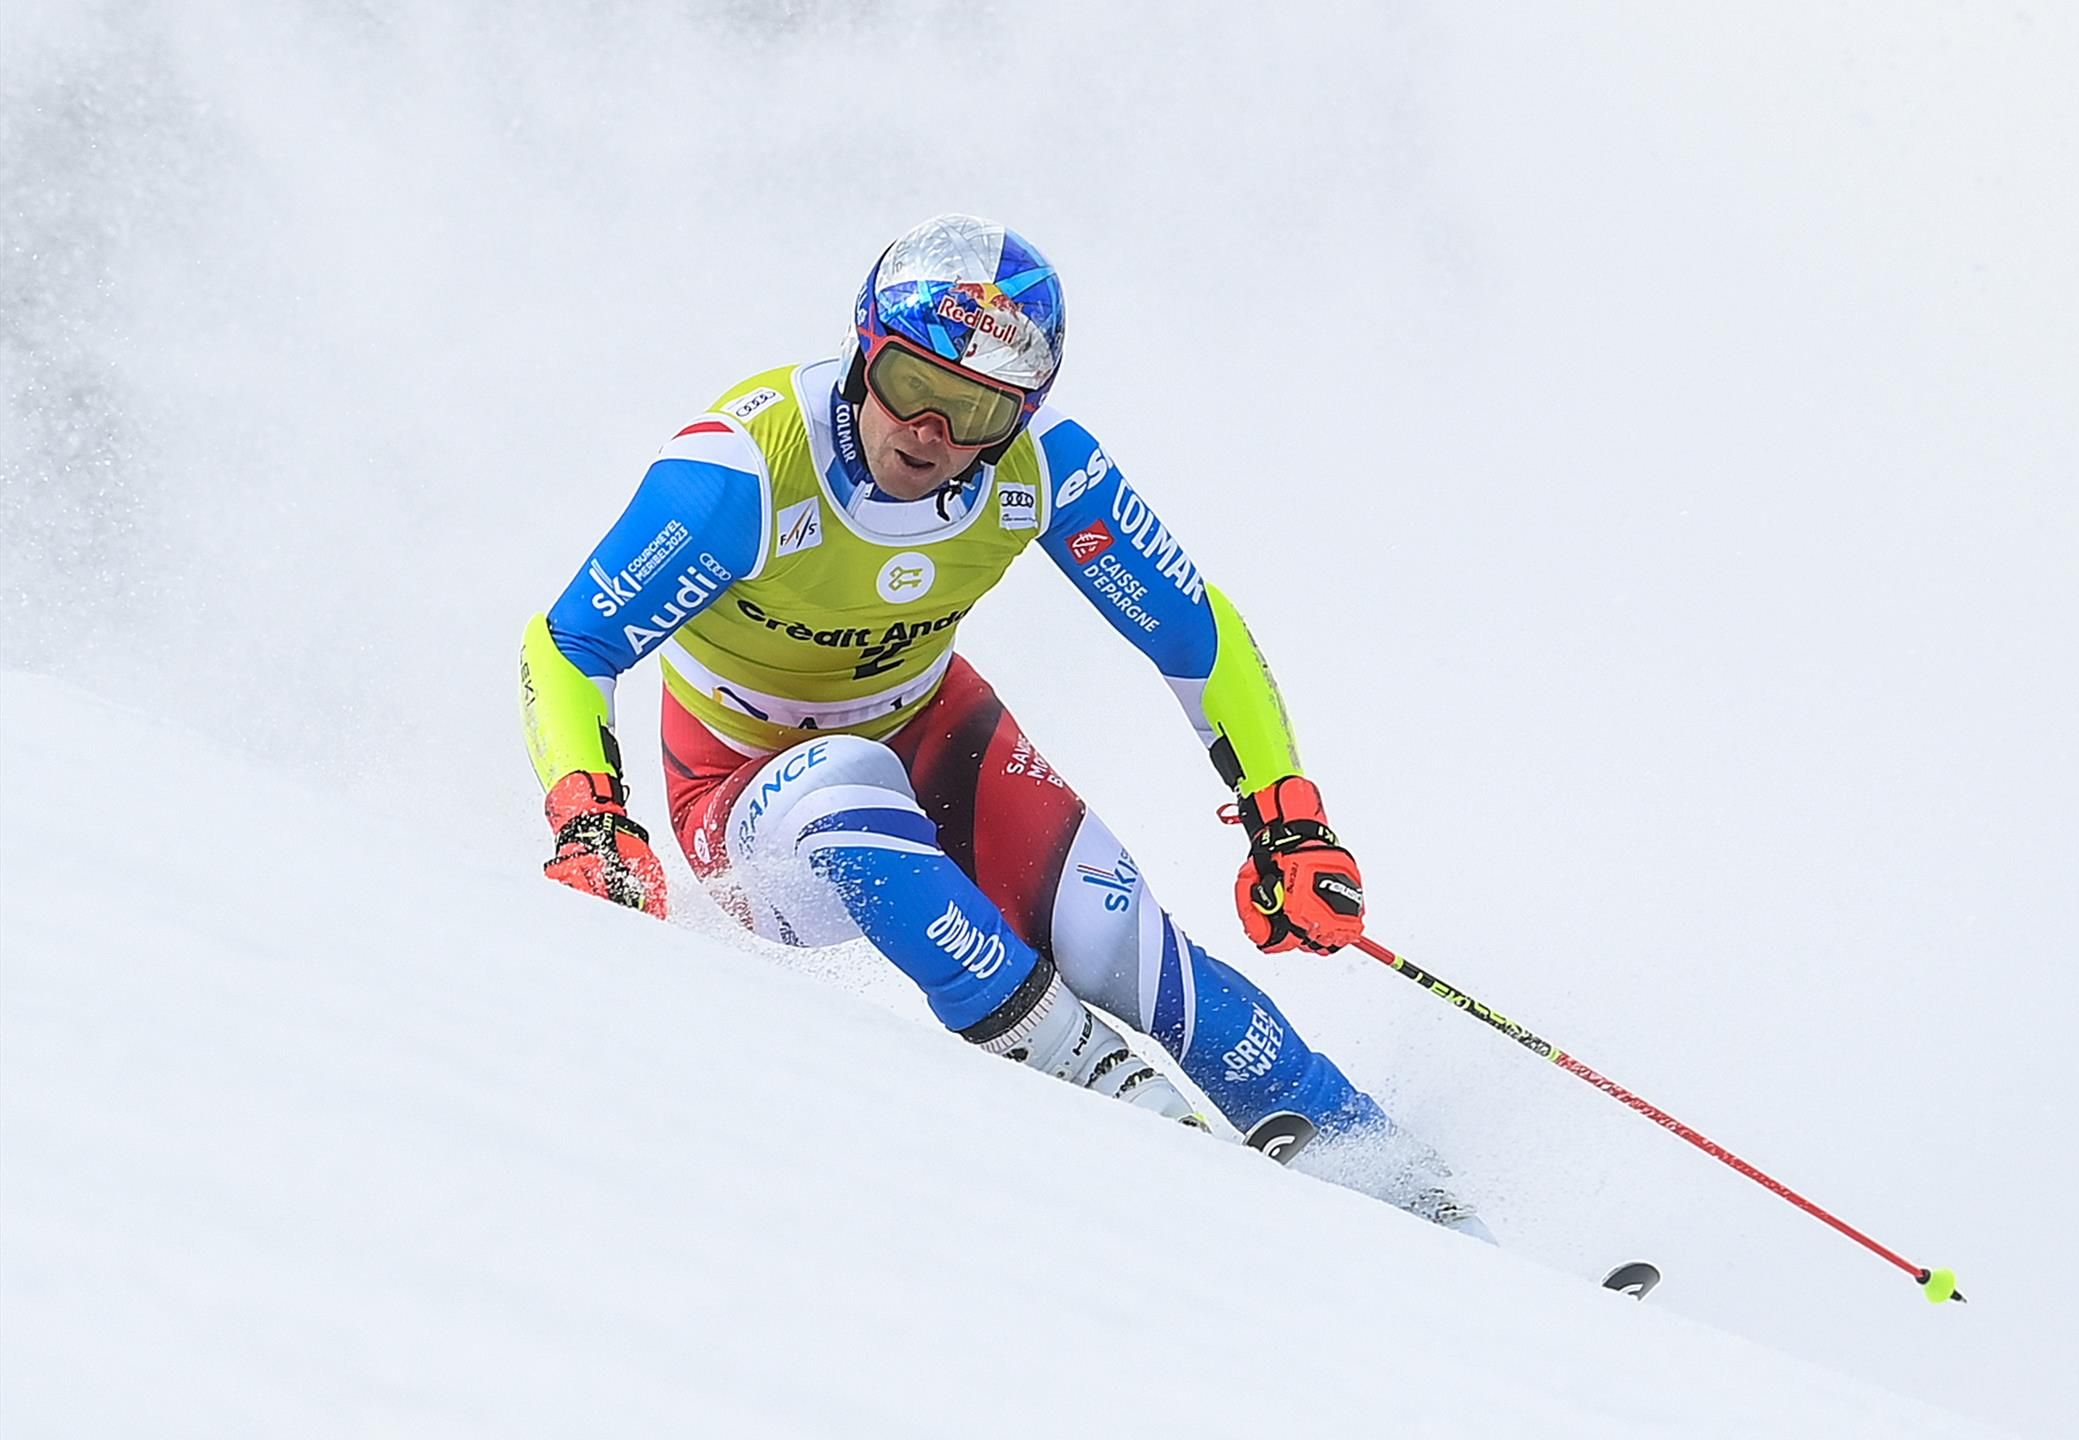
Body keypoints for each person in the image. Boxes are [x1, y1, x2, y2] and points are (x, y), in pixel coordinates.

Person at [517, 213, 1481, 1234]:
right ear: (862, 354)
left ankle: (1427, 1207)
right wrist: (590, 817)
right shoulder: (743, 470)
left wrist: (1284, 817)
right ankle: (1141, 1127)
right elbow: (568, 645)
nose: (928, 435)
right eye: (910, 387)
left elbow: (1195, 631)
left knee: (1118, 936)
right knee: (843, 780)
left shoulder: (1042, 469)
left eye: (972, 409)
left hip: (934, 731)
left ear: (1019, 412)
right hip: (746, 799)